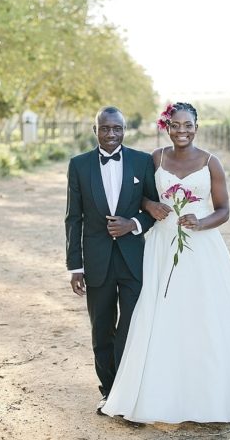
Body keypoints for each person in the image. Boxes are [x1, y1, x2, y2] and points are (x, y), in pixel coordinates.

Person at [102, 101, 230, 424]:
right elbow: (141, 196)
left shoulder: (211, 163)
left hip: (202, 246)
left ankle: (210, 387)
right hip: (162, 245)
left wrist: (201, 223)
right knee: (160, 310)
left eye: (188, 125)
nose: (182, 131)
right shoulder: (155, 159)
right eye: (176, 125)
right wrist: (150, 204)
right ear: (167, 127)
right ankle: (156, 387)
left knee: (204, 312)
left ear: (196, 128)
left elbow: (224, 209)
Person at [65, 105, 159, 415]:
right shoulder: (78, 165)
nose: (111, 134)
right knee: (101, 328)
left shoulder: (142, 162)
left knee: (131, 326)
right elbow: (73, 218)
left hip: (133, 259)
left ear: (124, 130)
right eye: (105, 128)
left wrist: (133, 224)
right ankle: (108, 391)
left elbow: (153, 210)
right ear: (95, 130)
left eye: (116, 128)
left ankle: (127, 390)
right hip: (96, 261)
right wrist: (75, 266)